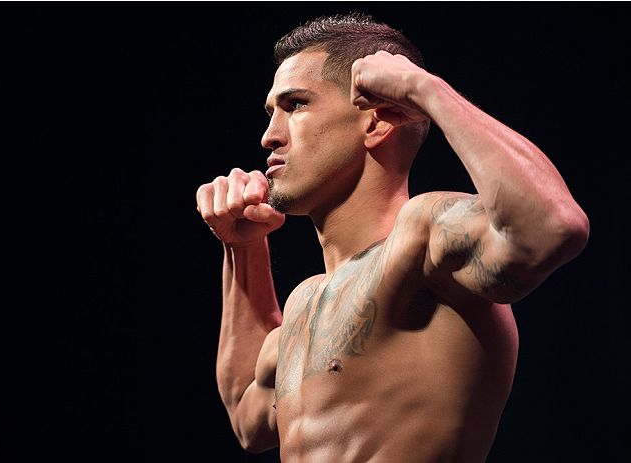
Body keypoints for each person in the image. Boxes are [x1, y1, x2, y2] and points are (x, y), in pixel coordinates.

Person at [195, 13, 589, 462]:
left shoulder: (422, 239)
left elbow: (553, 227)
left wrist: (427, 90)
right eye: (272, 113)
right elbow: (246, 414)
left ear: (377, 121)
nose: (269, 136)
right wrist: (242, 246)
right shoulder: (304, 303)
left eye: (296, 105)